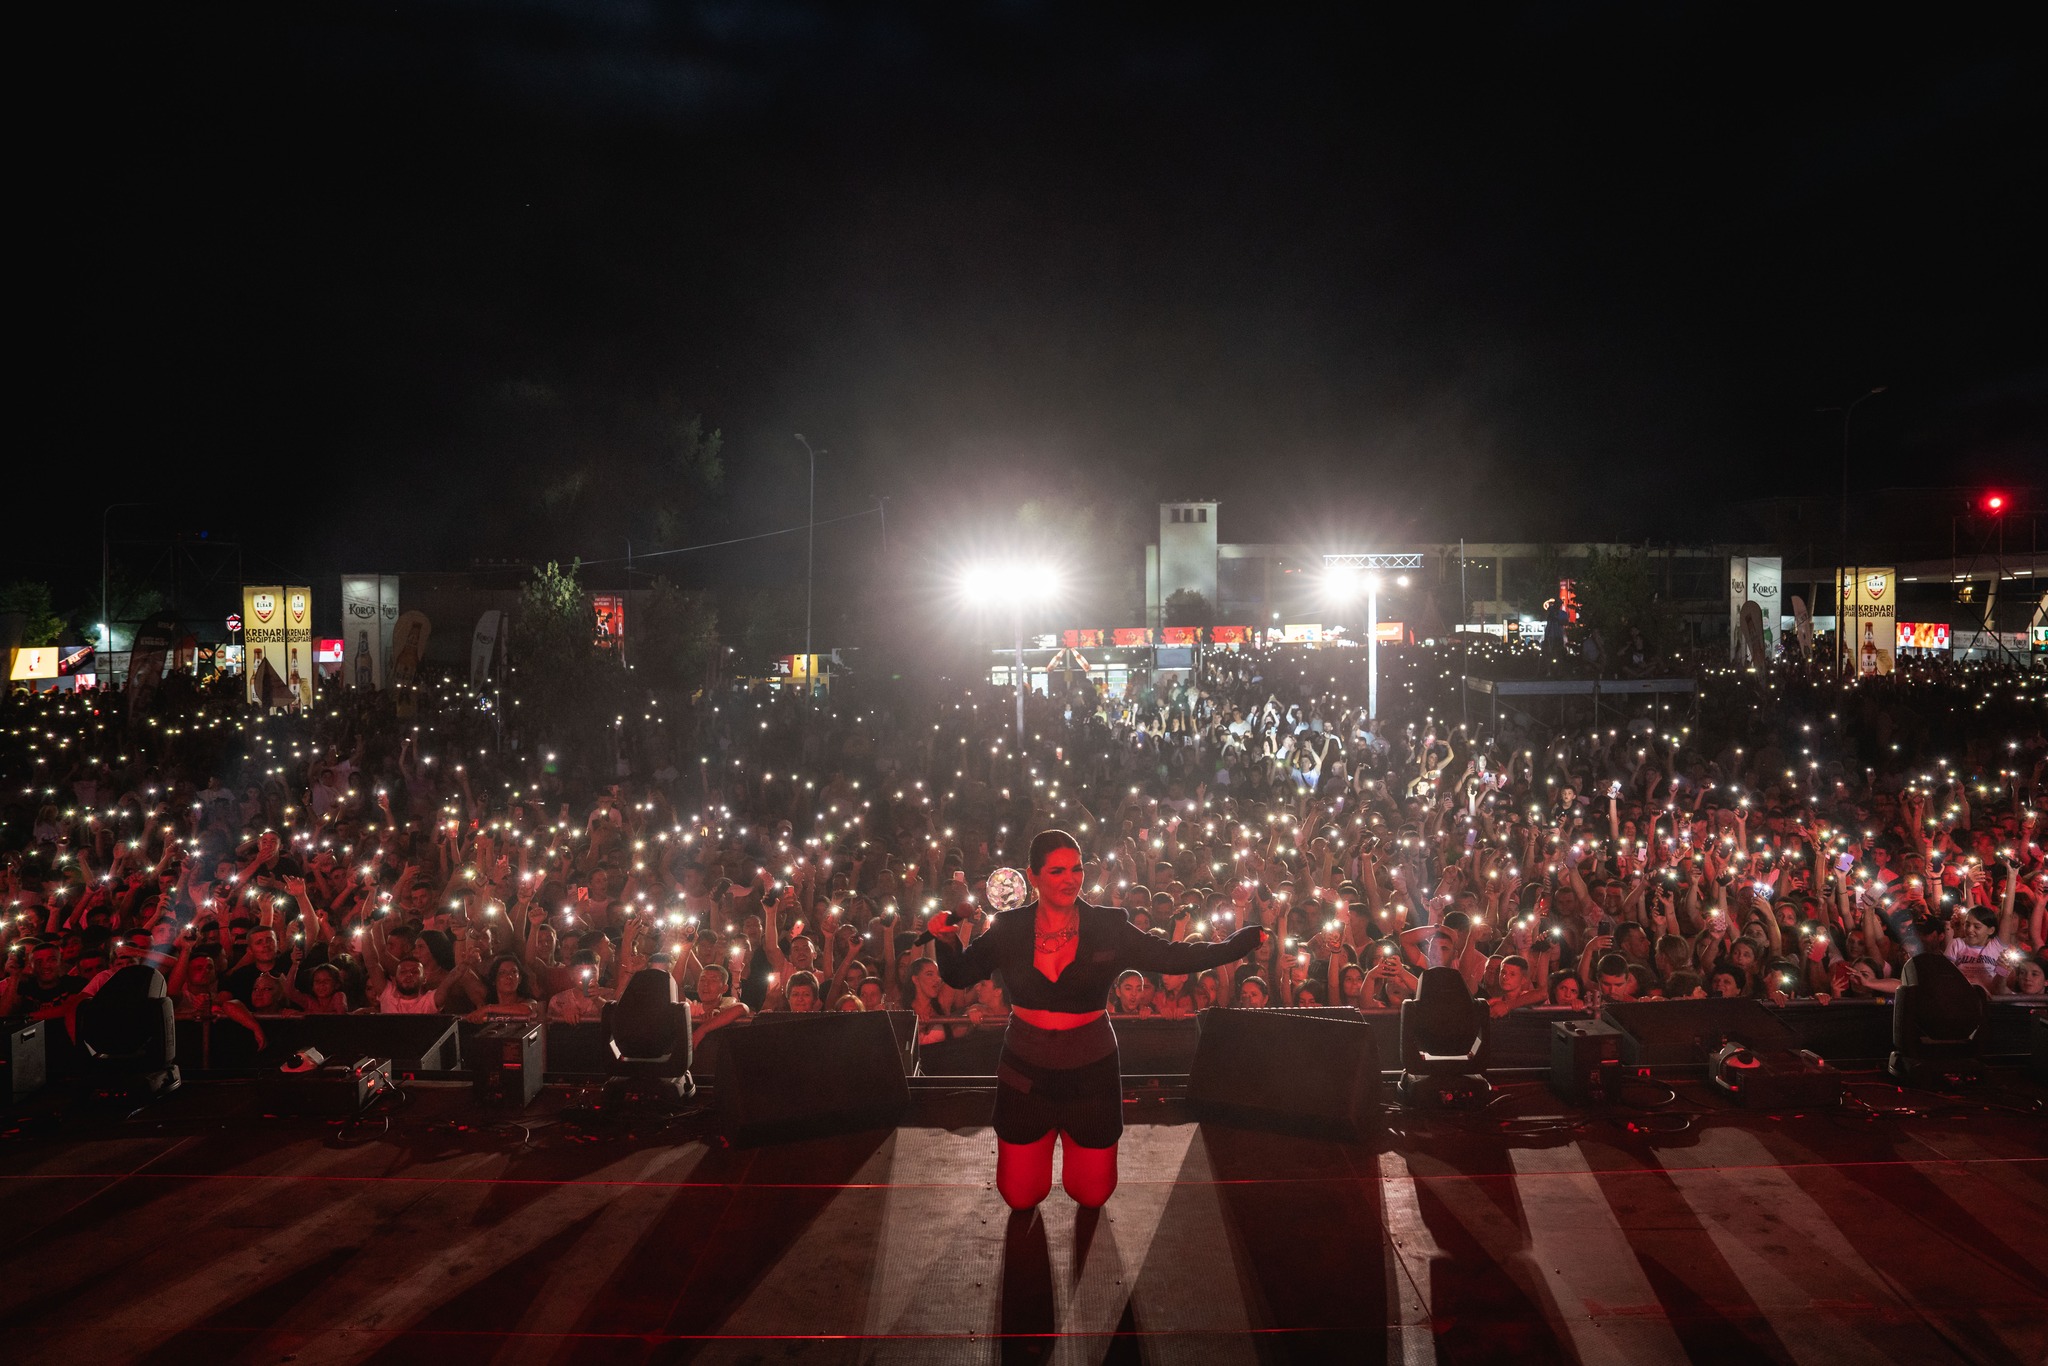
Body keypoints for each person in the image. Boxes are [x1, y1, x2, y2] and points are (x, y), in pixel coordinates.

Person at [931, 830, 1264, 1212]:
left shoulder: (1108, 926)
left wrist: (1235, 945)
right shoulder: (1008, 928)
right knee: (1021, 1197)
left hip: (1092, 1071)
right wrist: (946, 940)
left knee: (1091, 1194)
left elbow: (1172, 957)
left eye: (1076, 869)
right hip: (1025, 1072)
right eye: (1057, 871)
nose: (1070, 879)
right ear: (1033, 875)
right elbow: (959, 974)